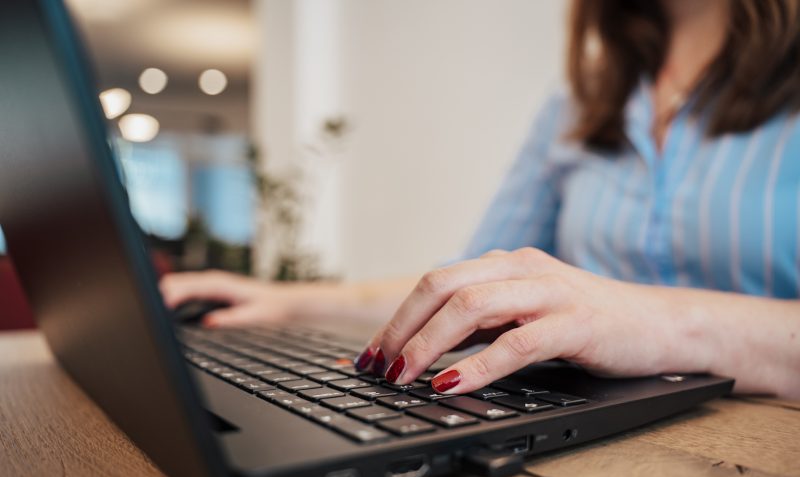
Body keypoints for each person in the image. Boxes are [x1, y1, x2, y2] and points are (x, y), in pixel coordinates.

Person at [161, 0, 800, 399]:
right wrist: (287, 300)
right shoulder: (577, 103)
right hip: (607, 451)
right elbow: (472, 291)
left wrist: (661, 321)